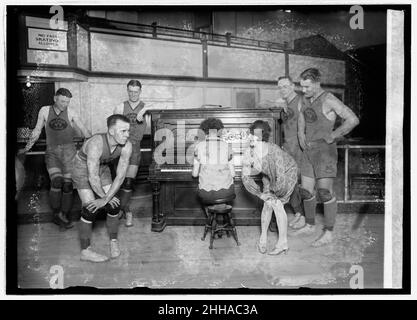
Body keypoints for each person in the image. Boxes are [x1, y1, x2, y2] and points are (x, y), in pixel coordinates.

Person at [294, 68, 359, 247]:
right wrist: (301, 137)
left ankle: (328, 232)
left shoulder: (329, 99)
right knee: (306, 191)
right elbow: (301, 119)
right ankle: (309, 224)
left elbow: (353, 119)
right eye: (302, 87)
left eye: (307, 87)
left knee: (324, 193)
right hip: (308, 152)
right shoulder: (304, 99)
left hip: (325, 153)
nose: (304, 90)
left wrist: (333, 135)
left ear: (316, 83)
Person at [19, 88, 91, 229]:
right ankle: (56, 214)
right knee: (57, 181)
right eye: (63, 101)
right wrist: (27, 147)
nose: (65, 104)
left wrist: (93, 143)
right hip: (52, 152)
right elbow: (37, 130)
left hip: (69, 153)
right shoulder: (45, 110)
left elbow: (84, 130)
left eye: (68, 102)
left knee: (68, 185)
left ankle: (64, 214)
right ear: (55, 98)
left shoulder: (72, 112)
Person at [72, 114, 132, 262]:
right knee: (90, 208)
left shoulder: (127, 146)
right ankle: (85, 251)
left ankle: (113, 242)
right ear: (111, 131)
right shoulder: (96, 144)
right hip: (81, 169)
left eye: (128, 131)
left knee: (114, 205)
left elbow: (120, 176)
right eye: (123, 131)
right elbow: (92, 177)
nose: (127, 135)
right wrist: (103, 198)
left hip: (103, 168)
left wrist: (107, 198)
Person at [242, 120, 298, 255]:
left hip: (287, 172)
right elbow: (245, 177)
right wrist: (260, 194)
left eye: (255, 137)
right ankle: (263, 239)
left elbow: (281, 178)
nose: (251, 140)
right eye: (251, 136)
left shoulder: (275, 151)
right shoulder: (248, 152)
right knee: (267, 204)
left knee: (276, 204)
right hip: (269, 176)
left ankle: (282, 243)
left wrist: (274, 194)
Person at [113, 80, 148, 227]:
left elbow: (161, 111)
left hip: (135, 147)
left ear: (140, 91)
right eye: (130, 91)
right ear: (127, 91)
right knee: (120, 181)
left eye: (136, 91)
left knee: (128, 182)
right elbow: (113, 129)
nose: (133, 94)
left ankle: (125, 211)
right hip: (121, 148)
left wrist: (142, 112)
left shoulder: (145, 108)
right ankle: (125, 210)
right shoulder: (120, 107)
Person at [277, 76, 305, 230]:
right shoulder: (285, 104)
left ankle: (304, 216)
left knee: (303, 183)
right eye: (280, 87)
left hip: (300, 150)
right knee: (291, 182)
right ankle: (298, 213)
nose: (283, 90)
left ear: (293, 86)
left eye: (285, 86)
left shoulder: (301, 102)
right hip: (288, 149)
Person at [192, 118, 235, 205]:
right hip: (226, 192)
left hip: (206, 193)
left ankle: (210, 214)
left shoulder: (198, 146)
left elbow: (194, 174)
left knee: (201, 193)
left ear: (204, 131)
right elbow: (233, 174)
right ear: (220, 131)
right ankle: (220, 211)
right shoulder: (227, 146)